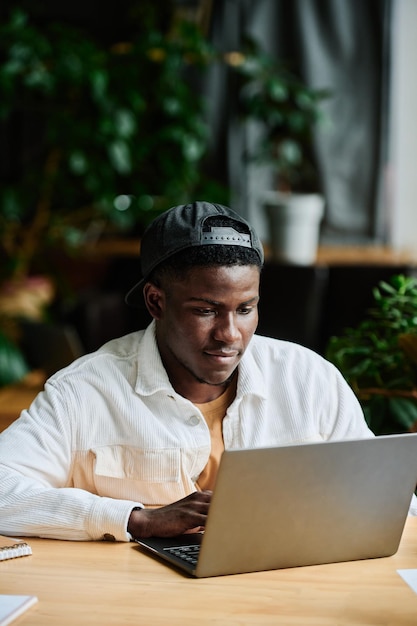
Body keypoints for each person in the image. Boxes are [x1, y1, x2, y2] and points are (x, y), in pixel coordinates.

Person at [0, 201, 415, 542]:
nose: (229, 335)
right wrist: (135, 518)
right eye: (205, 310)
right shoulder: (84, 391)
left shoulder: (309, 380)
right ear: (156, 302)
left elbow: (386, 504)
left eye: (245, 309)